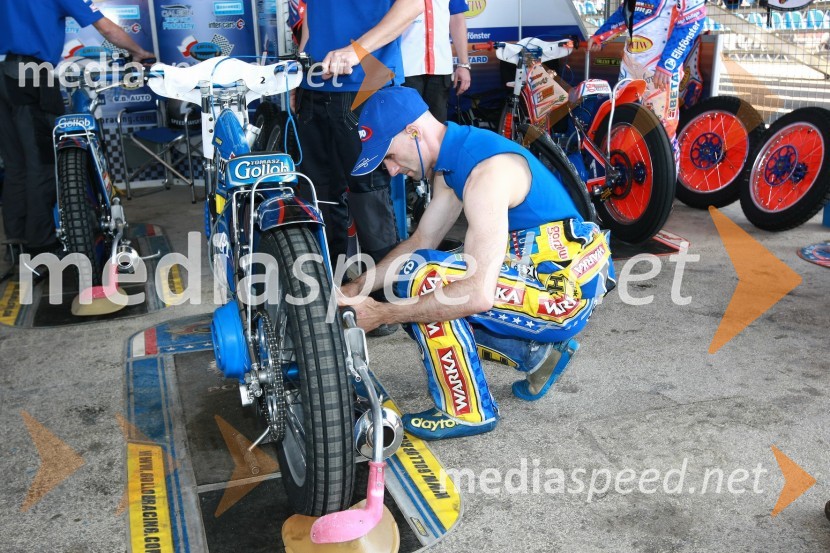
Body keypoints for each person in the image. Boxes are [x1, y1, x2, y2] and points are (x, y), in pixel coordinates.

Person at [338, 87, 615, 441]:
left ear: (412, 132)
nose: (392, 171)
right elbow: (420, 241)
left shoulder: (485, 175)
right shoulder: (454, 161)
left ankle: (467, 411)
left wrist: (380, 313)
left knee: (422, 280)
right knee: (420, 272)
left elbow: (478, 294)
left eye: (390, 156)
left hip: (565, 290)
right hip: (547, 272)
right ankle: (537, 356)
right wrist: (351, 290)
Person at [0, 1, 153, 256]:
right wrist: (139, 52)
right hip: (30, 75)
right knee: (44, 163)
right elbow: (107, 29)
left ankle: (16, 243)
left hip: (3, 75)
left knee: (16, 165)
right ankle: (42, 246)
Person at [588, 0, 706, 151]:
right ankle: (623, 170)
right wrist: (601, 36)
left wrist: (668, 63)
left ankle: (666, 174)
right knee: (621, 121)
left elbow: (693, 20)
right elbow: (626, 12)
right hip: (630, 66)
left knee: (662, 134)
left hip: (658, 70)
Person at [401, 0, 471, 123]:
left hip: (440, 67)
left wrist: (463, 64)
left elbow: (457, 19)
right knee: (407, 124)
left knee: (437, 124)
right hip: (406, 67)